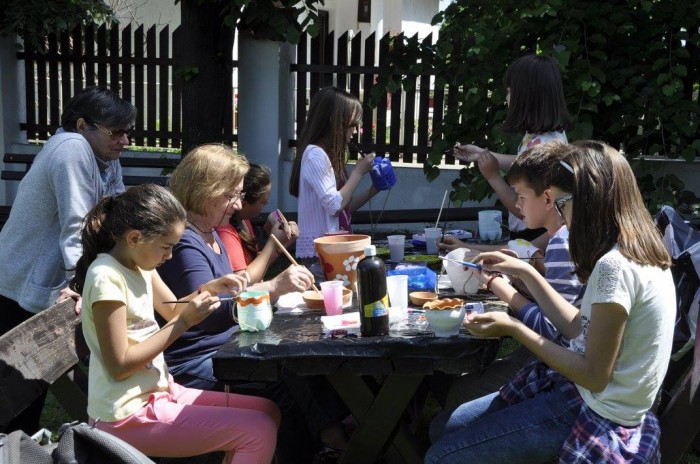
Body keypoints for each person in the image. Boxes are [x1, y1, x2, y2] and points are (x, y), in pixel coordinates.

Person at [426, 141, 676, 463]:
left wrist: (514, 328)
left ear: (585, 200)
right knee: (441, 429)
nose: (560, 215)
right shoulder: (642, 252)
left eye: (560, 204)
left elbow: (593, 375)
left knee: (440, 456)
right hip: (597, 397)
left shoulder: (613, 268)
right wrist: (526, 273)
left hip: (596, 410)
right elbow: (577, 327)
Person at [158, 144, 348, 463]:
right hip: (194, 361)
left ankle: (333, 441)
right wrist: (272, 288)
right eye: (230, 195)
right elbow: (209, 315)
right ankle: (326, 448)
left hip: (225, 348)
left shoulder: (208, 232)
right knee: (282, 380)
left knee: (301, 361)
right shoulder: (186, 244)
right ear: (206, 192)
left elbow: (235, 287)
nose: (236, 203)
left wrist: (272, 278)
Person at [70, 183, 278, 463]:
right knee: (258, 430)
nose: (169, 256)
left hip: (158, 393)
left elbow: (172, 310)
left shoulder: (137, 264)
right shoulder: (107, 278)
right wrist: (182, 325)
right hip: (125, 414)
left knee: (268, 411)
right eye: (166, 248)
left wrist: (211, 289)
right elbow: (119, 366)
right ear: (134, 238)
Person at [0, 85, 135, 434]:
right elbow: (78, 224)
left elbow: (114, 212)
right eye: (116, 131)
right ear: (82, 125)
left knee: (31, 388)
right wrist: (86, 284)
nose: (125, 140)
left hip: (40, 284)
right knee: (17, 390)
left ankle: (24, 448)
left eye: (127, 131)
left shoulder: (103, 156)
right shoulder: (71, 148)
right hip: (19, 286)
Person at [435, 142, 586, 412]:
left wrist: (497, 285)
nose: (516, 204)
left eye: (521, 196)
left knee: (459, 394)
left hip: (558, 367)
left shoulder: (563, 242)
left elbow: (551, 330)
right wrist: (517, 274)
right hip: (561, 359)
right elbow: (528, 263)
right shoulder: (561, 235)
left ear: (549, 199)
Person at [449, 54, 570, 248]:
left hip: (535, 233)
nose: (506, 98)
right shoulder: (543, 137)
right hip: (531, 232)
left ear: (527, 96)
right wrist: (481, 154)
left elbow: (522, 208)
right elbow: (524, 162)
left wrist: (492, 176)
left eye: (509, 91)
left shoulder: (547, 145)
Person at [289, 86, 379, 267]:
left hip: (331, 250)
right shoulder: (315, 155)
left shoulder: (326, 155)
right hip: (320, 255)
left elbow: (345, 208)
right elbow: (334, 205)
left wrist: (374, 189)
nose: (355, 130)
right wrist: (358, 172)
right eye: (352, 124)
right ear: (334, 121)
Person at [216, 163, 301, 288]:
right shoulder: (225, 232)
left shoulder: (244, 221)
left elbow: (257, 266)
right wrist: (272, 243)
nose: (266, 205)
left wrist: (282, 243)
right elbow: (244, 281)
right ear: (243, 203)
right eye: (263, 202)